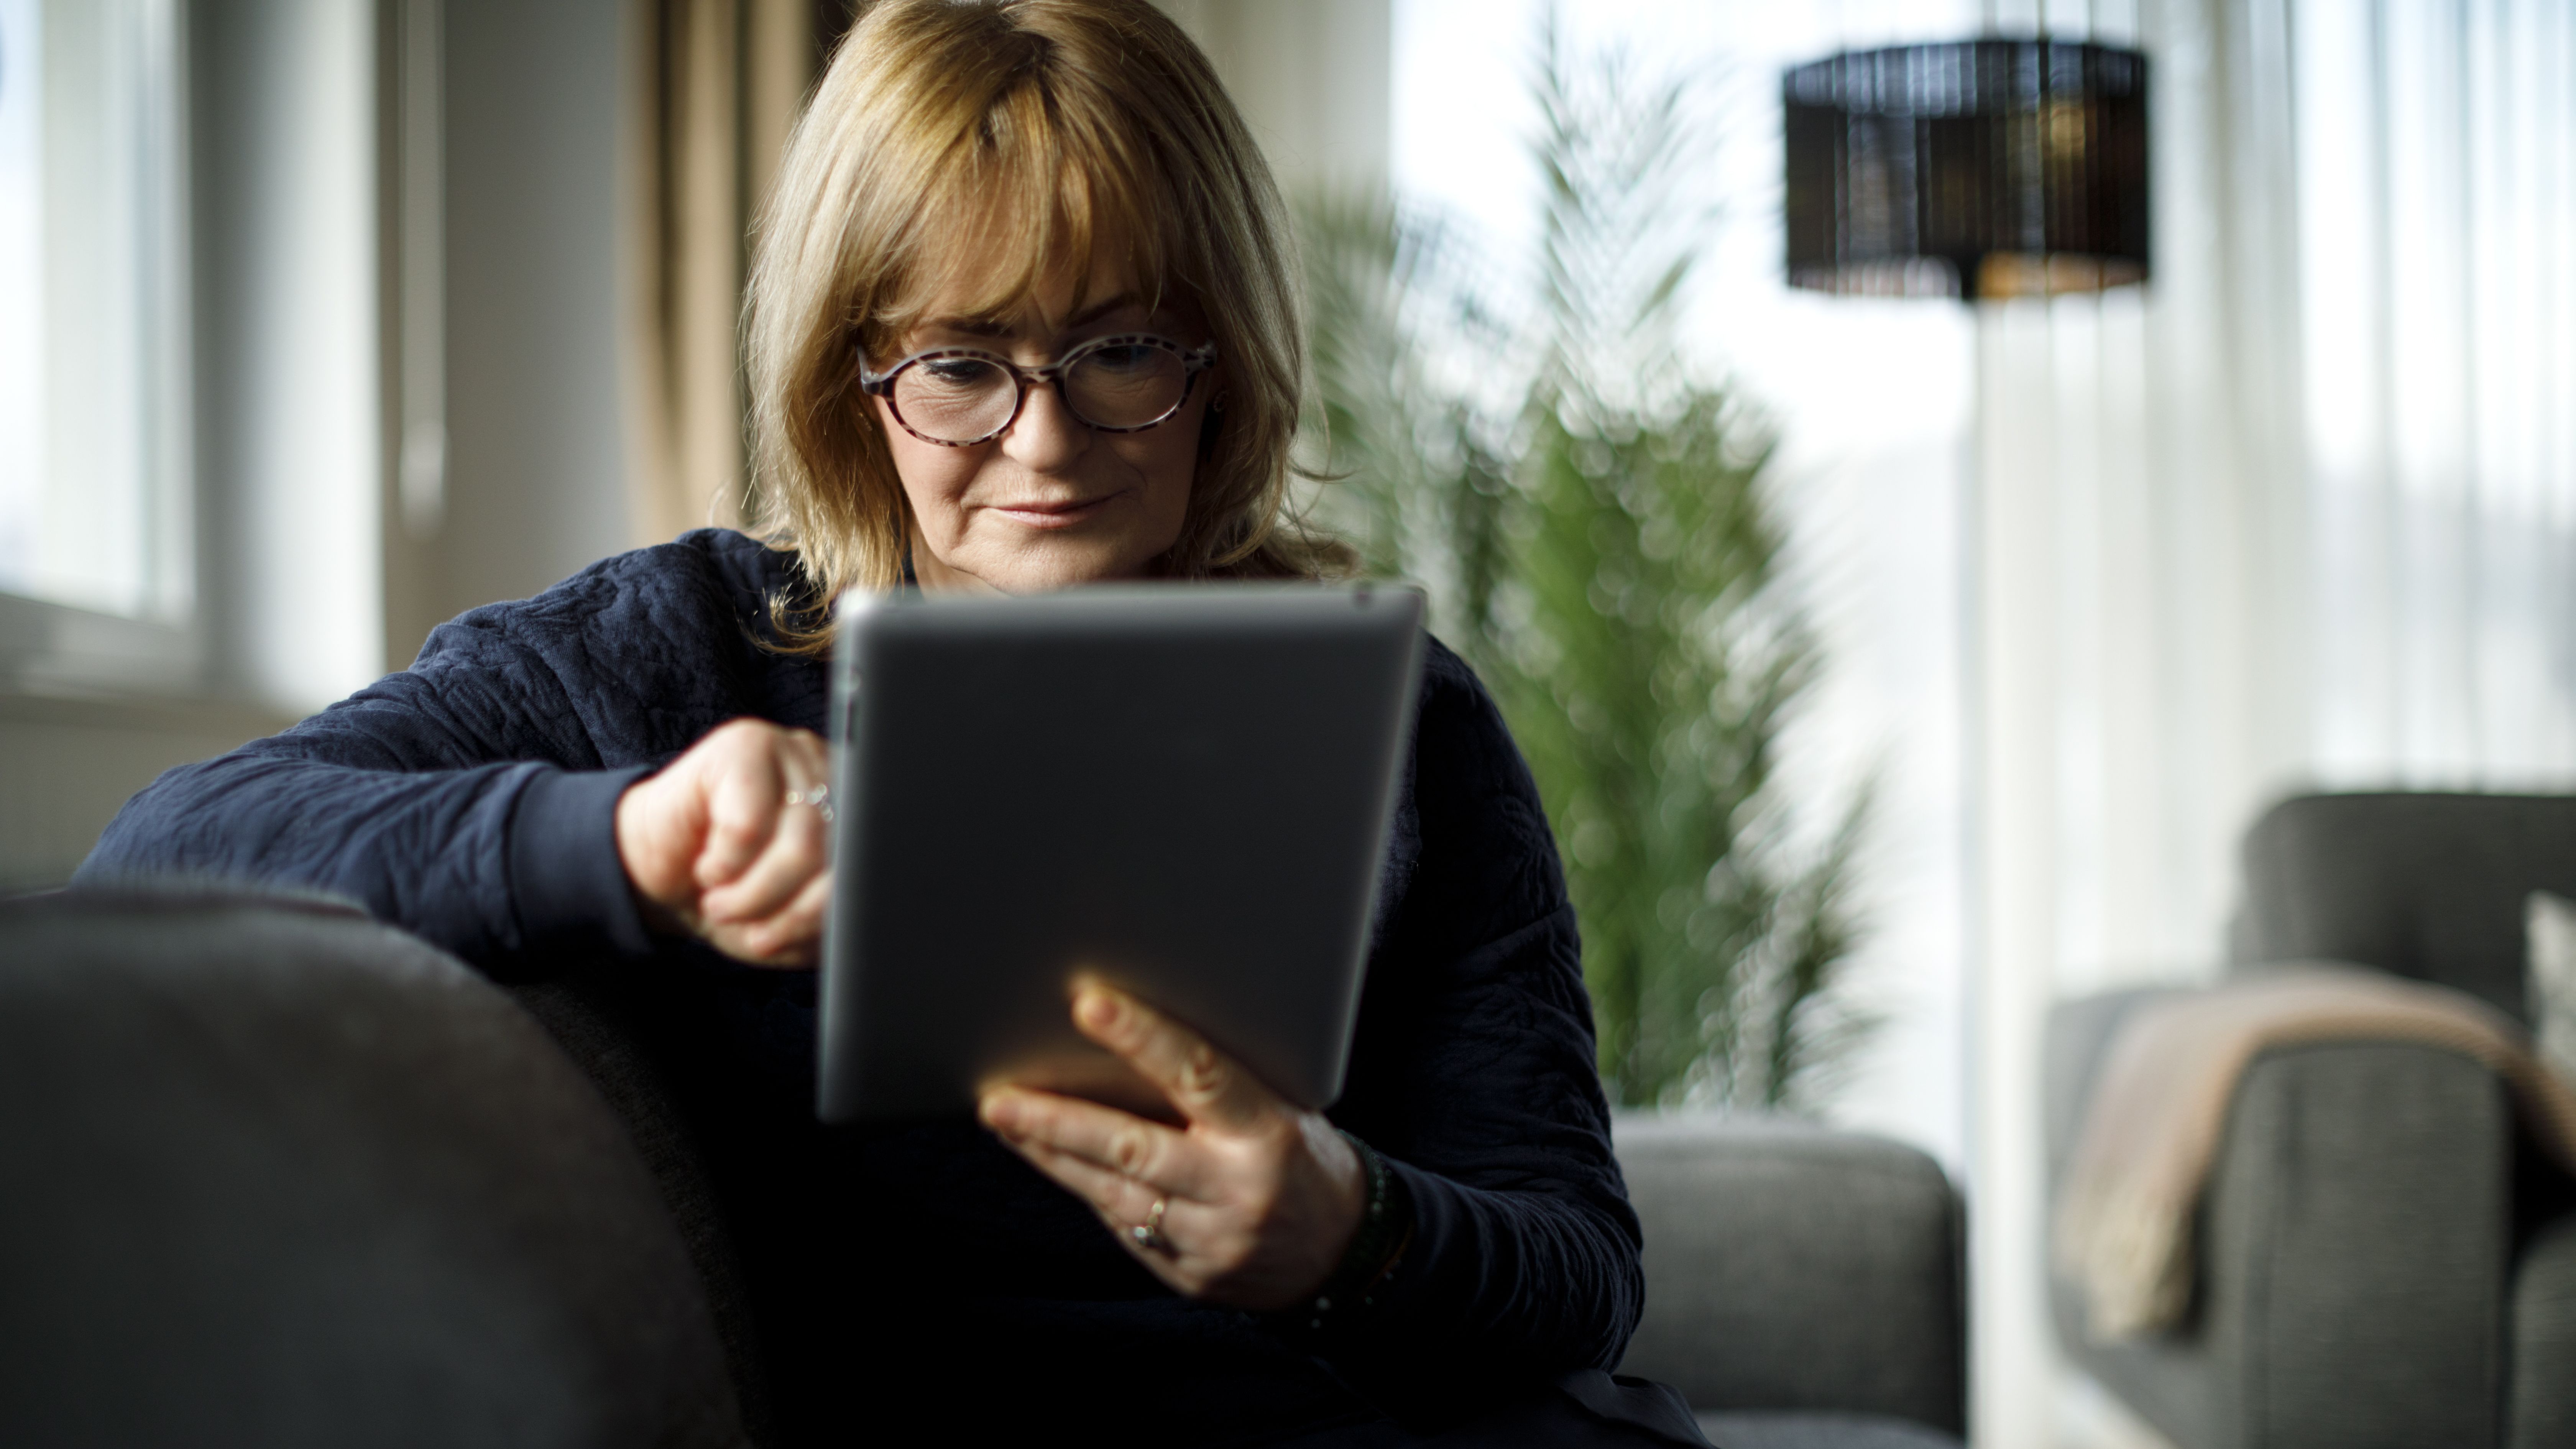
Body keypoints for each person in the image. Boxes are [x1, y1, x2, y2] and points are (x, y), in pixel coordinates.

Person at [82, 3, 1708, 1444]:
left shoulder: (1406, 723)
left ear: (1225, 363)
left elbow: (1578, 1269)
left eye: (1122, 349)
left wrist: (1349, 1234)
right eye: (958, 364)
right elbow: (163, 850)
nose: (1045, 441)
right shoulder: (677, 654)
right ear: (847, 374)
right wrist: (628, 839)